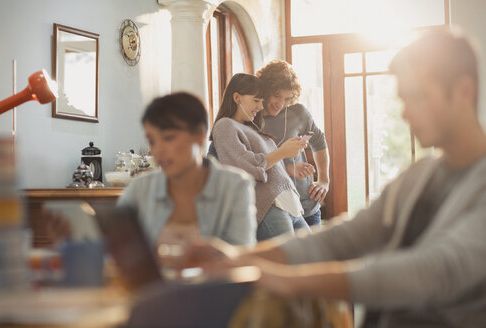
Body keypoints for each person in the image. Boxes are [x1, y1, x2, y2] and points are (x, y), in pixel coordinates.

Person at [186, 29, 486, 327]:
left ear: (463, 91)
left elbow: (434, 271)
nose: (405, 114)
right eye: (403, 99)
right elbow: (346, 237)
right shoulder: (420, 177)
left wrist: (288, 281)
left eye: (417, 97)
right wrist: (235, 259)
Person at [117, 92, 257, 249]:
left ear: (199, 134)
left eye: (169, 137)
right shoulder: (139, 189)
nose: (157, 151)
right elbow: (117, 252)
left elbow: (242, 256)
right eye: (152, 141)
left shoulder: (235, 186)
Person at [210, 73, 311, 241]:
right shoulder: (225, 126)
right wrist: (282, 152)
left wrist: (288, 167)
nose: (260, 106)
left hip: (290, 204)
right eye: (256, 100)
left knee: (312, 257)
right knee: (288, 263)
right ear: (237, 97)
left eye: (262, 101)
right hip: (270, 207)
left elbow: (268, 166)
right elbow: (243, 168)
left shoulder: (253, 128)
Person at [257, 60, 330, 228]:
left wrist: (324, 180)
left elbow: (319, 140)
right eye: (276, 95)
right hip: (275, 210)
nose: (280, 104)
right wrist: (287, 169)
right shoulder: (252, 117)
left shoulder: (298, 113)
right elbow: (251, 163)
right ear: (265, 90)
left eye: (287, 98)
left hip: (308, 206)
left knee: (314, 255)